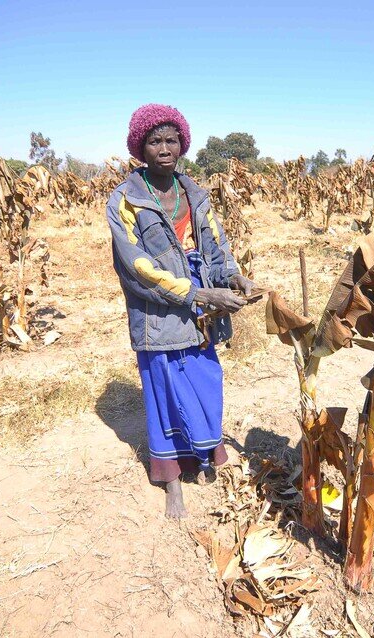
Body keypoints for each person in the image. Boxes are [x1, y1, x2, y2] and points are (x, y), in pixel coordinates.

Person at [105, 104, 254, 518]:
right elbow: (137, 268)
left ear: (182, 144)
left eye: (172, 140)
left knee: (205, 377)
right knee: (165, 390)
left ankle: (204, 455)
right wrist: (200, 296)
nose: (164, 148)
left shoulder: (194, 193)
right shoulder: (126, 200)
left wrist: (232, 276)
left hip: (201, 305)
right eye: (155, 141)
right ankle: (172, 481)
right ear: (140, 147)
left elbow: (215, 244)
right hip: (158, 311)